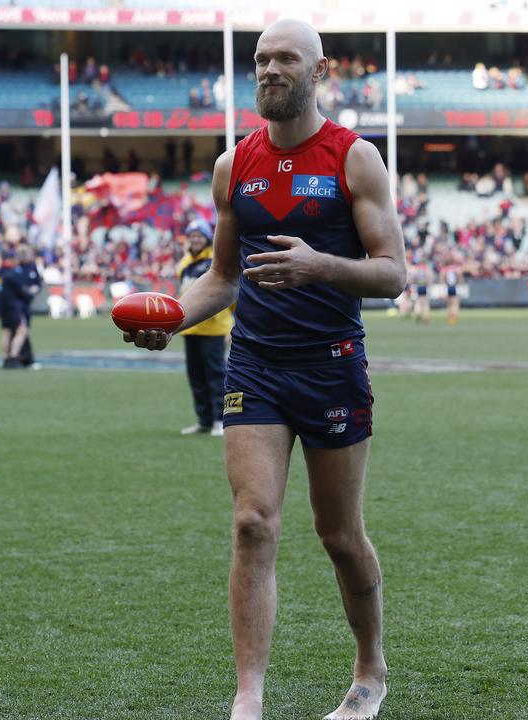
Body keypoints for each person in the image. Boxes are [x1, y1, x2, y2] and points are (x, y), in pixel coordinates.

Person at [122, 18, 405, 720]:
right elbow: (220, 279)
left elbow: (393, 275)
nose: (270, 70)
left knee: (339, 535)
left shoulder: (355, 157)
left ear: (319, 69)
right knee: (252, 523)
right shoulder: (232, 165)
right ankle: (248, 696)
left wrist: (321, 267)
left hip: (332, 365)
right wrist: (172, 319)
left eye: (285, 58)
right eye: (261, 60)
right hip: (255, 364)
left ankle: (370, 668)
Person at [177, 218, 233, 437]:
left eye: (199, 236)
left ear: (207, 238)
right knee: (196, 376)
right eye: (192, 236)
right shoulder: (183, 263)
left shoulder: (214, 260)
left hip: (214, 329)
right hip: (191, 329)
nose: (196, 240)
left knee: (215, 375)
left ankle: (220, 419)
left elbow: (230, 293)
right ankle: (204, 419)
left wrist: (232, 324)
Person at [0, 249, 32, 369]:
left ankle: (5, 358)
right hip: (13, 306)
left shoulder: (0, 272)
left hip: (2, 305)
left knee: (7, 331)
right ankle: (13, 357)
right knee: (22, 330)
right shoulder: (13, 273)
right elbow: (21, 290)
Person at [16, 245, 42, 368]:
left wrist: (35, 289)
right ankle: (26, 358)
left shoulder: (32, 267)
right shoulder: (16, 268)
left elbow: (38, 283)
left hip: (26, 304)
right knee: (22, 330)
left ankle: (21, 356)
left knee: (23, 331)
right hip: (17, 304)